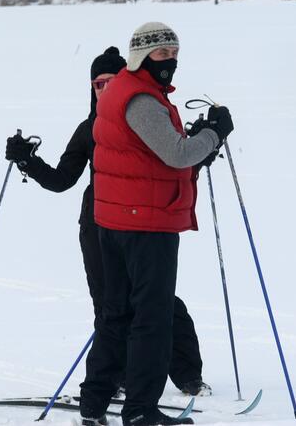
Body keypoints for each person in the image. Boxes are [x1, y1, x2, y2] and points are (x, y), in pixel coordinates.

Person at [5, 47, 211, 399]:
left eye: (110, 82)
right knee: (110, 305)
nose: (103, 89)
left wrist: (204, 146)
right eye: (96, 84)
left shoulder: (145, 115)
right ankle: (119, 379)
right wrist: (28, 161)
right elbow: (62, 179)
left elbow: (173, 162)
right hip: (97, 226)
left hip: (142, 221)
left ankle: (187, 374)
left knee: (160, 303)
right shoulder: (90, 128)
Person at [79, 23, 234, 426]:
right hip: (144, 223)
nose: (169, 61)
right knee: (152, 317)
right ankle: (141, 410)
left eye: (172, 53)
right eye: (161, 54)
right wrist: (214, 134)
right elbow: (176, 154)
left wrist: (194, 136)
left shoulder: (118, 92)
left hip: (115, 220)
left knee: (116, 313)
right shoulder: (141, 99)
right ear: (140, 57)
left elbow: (146, 151)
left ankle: (94, 403)